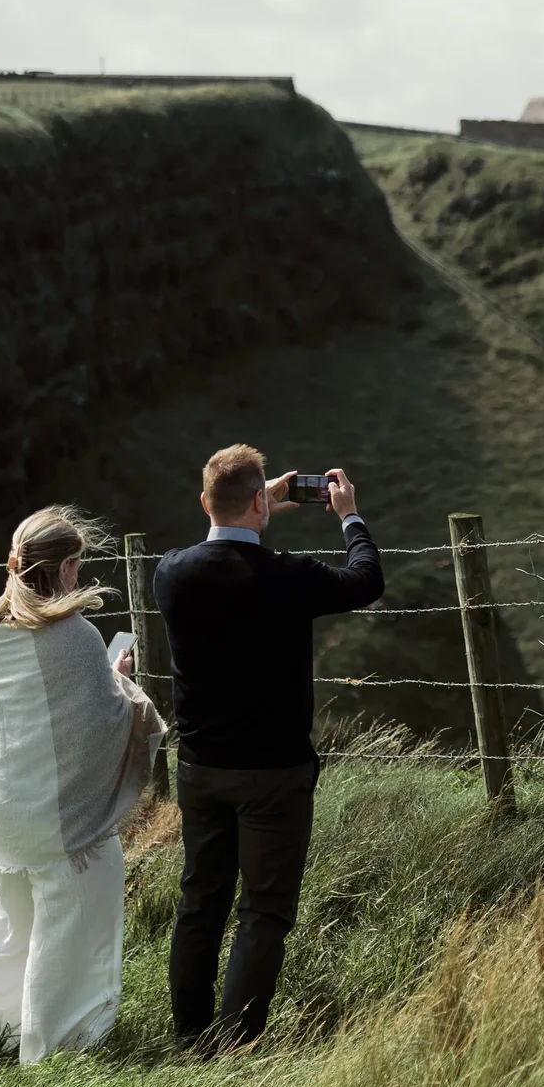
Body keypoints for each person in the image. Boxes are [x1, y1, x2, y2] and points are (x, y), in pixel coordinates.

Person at [155, 444, 382, 1052]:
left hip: (200, 766)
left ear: (204, 503)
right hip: (273, 772)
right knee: (264, 909)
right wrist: (348, 516)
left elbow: (215, 543)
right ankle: (235, 1045)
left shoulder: (171, 571)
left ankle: (189, 1036)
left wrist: (253, 509)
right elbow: (366, 581)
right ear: (261, 500)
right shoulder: (290, 577)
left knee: (200, 899)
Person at [0, 506, 164, 1065]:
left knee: (10, 921)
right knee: (80, 914)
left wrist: (97, 689)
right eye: (78, 565)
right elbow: (102, 723)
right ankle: (60, 1047)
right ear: (67, 567)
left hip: (3, 811)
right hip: (58, 820)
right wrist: (121, 687)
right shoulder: (75, 638)